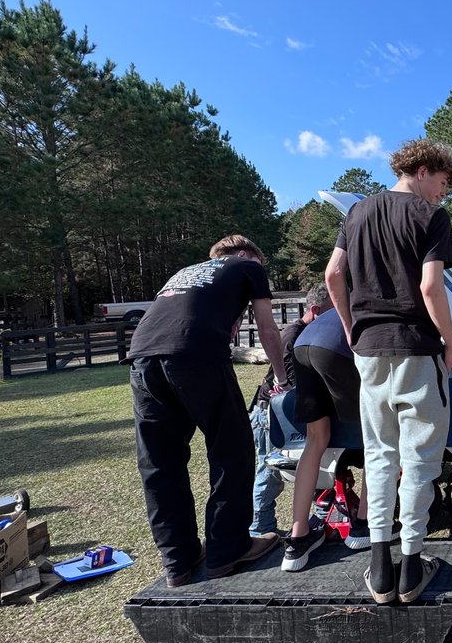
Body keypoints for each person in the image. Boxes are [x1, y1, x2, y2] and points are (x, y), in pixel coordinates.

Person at [325, 138, 452, 604]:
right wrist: (449, 337)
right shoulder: (429, 217)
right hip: (415, 349)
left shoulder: (357, 212)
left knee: (380, 454)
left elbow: (333, 275)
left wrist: (350, 325)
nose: (442, 195)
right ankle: (410, 565)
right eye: (443, 184)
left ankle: (379, 568)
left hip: (369, 350)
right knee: (420, 459)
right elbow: (429, 287)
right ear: (424, 170)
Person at [127, 235, 287, 588]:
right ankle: (227, 551)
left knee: (159, 462)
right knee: (232, 450)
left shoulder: (186, 273)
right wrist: (282, 376)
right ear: (246, 254)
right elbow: (266, 327)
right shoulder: (248, 266)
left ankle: (178, 561)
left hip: (142, 358)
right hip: (196, 353)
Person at [281, 285, 372, 571]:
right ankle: (363, 524)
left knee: (315, 440)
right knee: (377, 436)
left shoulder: (340, 303)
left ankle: (298, 538)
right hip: (334, 347)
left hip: (303, 345)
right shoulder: (374, 299)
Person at [249, 283, 330, 537]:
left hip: (290, 411)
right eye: (332, 310)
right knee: (269, 474)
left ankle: (319, 518)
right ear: (315, 310)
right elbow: (292, 380)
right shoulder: (293, 336)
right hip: (269, 413)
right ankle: (261, 530)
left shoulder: (311, 333)